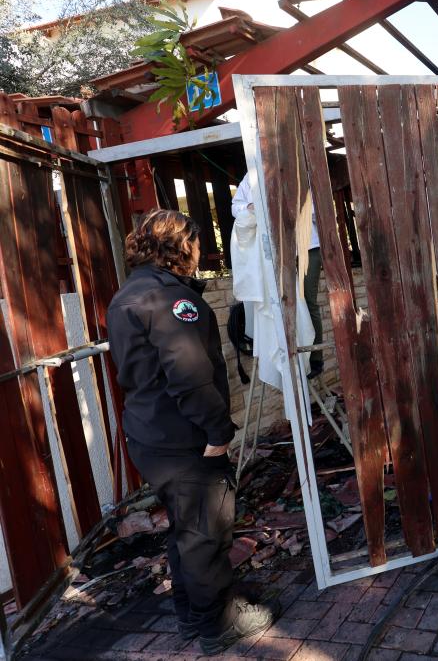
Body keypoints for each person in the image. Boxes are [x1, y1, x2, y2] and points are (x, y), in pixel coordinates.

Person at [107, 210, 279, 655]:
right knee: (207, 532)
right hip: (185, 440)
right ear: (182, 246)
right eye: (198, 243)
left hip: (149, 437)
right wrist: (217, 433)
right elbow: (191, 377)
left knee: (186, 528)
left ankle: (191, 613)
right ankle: (218, 624)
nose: (201, 251)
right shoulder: (171, 300)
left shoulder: (127, 295)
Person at [232, 172, 323, 379]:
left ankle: (314, 358)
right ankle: (286, 356)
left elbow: (316, 210)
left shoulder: (300, 171)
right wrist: (250, 208)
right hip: (274, 249)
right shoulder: (251, 175)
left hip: (306, 246)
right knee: (278, 302)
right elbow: (235, 207)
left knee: (307, 301)